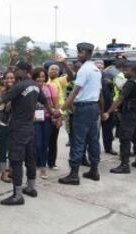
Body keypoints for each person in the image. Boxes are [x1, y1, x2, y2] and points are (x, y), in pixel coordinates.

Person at [0, 61, 46, 205]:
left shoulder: (19, 86)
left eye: (17, 70)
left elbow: (0, 100)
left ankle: (17, 195)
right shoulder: (35, 85)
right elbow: (45, 100)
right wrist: (53, 112)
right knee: (30, 159)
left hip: (18, 129)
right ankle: (31, 188)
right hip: (29, 128)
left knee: (15, 161)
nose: (15, 72)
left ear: (24, 70)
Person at [54, 42, 102, 185]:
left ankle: (74, 175)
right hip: (94, 108)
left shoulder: (84, 70)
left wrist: (61, 110)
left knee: (78, 141)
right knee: (93, 140)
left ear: (87, 53)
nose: (78, 54)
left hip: (83, 109)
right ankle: (94, 171)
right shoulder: (96, 70)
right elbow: (98, 92)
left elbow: (74, 92)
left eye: (80, 52)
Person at [103, 61, 136, 173]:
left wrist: (108, 112)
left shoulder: (130, 83)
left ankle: (124, 165)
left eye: (126, 70)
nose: (123, 72)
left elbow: (120, 99)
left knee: (125, 139)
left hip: (129, 115)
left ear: (132, 71)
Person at [46, 57, 73, 170]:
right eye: (52, 69)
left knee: (53, 140)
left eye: (56, 69)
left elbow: (71, 76)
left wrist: (64, 63)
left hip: (57, 114)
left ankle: (52, 163)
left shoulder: (60, 81)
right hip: (45, 114)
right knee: (42, 140)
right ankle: (40, 161)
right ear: (47, 70)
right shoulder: (43, 81)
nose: (54, 71)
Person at [31, 67, 57, 179]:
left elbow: (54, 103)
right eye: (38, 76)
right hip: (35, 119)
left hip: (47, 119)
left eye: (42, 76)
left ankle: (43, 168)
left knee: (45, 144)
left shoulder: (49, 88)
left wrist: (56, 116)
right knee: (37, 144)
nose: (40, 78)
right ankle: (35, 164)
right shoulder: (31, 89)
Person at [0, 72, 15, 182]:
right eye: (7, 78)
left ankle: (11, 170)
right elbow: (6, 109)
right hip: (3, 122)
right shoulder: (2, 91)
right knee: (3, 147)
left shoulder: (18, 89)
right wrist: (13, 98)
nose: (9, 80)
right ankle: (3, 172)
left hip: (15, 123)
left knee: (13, 147)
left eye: (11, 77)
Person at [98, 60, 118, 156]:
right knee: (94, 132)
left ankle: (108, 148)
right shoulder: (90, 76)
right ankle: (94, 149)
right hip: (95, 108)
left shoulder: (109, 76)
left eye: (101, 64)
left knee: (108, 129)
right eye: (97, 64)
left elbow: (115, 90)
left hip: (108, 107)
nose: (99, 66)